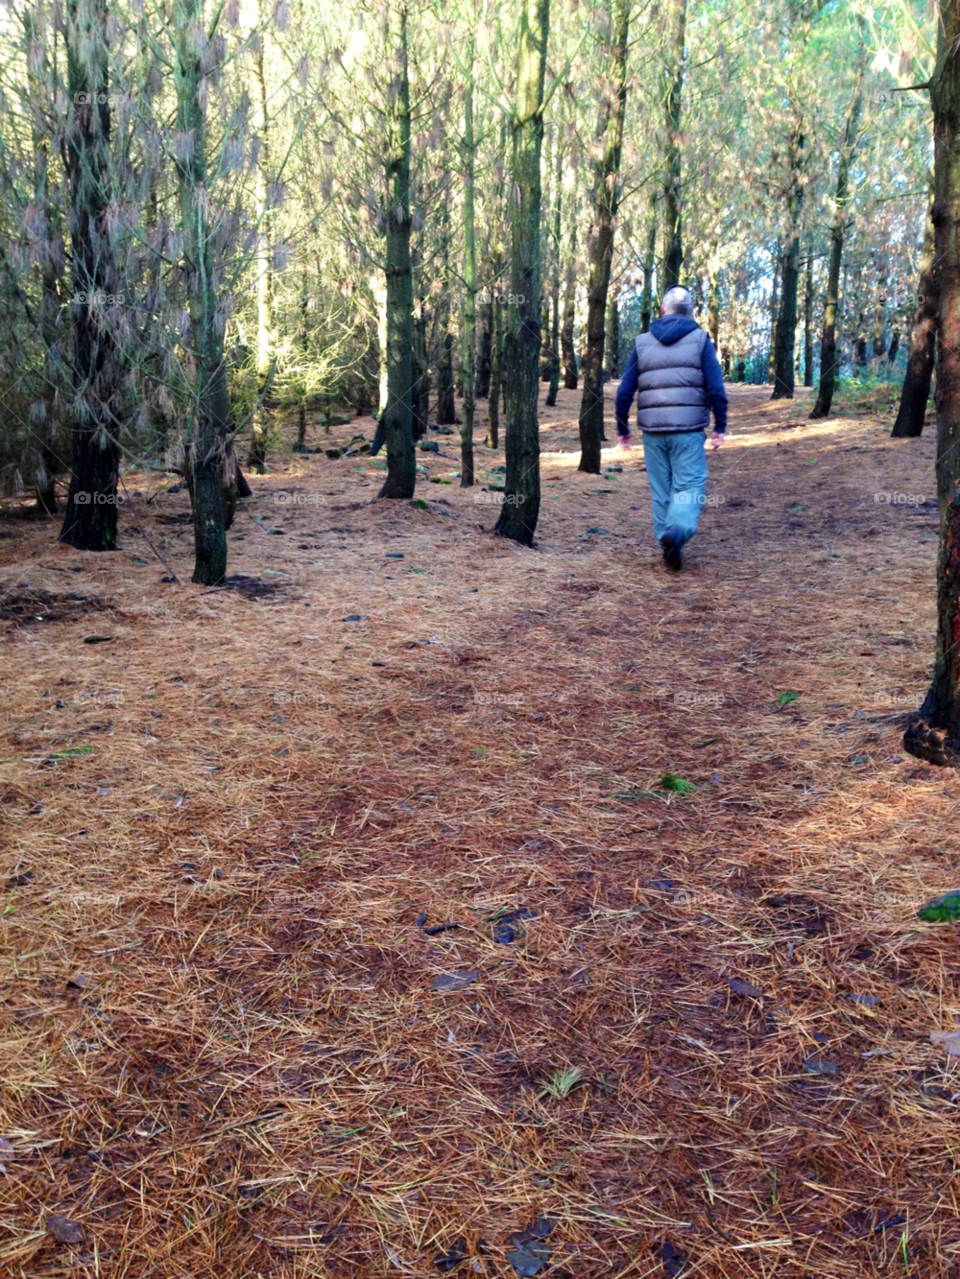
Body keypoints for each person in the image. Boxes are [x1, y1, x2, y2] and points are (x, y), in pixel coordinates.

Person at [615, 285, 728, 571]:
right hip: (688, 430)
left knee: (661, 488)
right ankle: (677, 531)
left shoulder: (642, 343)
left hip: (652, 432)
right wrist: (720, 425)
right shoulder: (701, 340)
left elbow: (625, 391)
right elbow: (715, 387)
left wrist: (622, 427)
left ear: (662, 310)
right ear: (689, 311)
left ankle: (666, 544)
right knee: (689, 484)